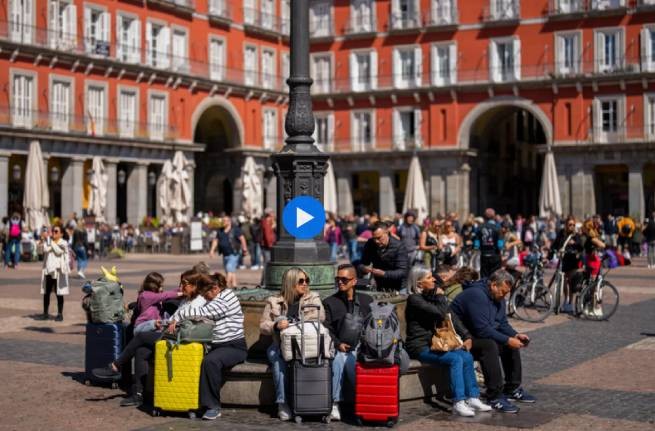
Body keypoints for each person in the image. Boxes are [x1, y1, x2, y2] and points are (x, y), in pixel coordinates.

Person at [93, 269, 206, 406]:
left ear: (194, 286)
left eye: (184, 284)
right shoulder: (187, 299)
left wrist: (168, 322)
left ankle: (115, 366)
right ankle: (139, 395)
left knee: (141, 337)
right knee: (142, 351)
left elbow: (184, 320)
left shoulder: (198, 301)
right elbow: (173, 315)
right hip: (172, 333)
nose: (180, 287)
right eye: (180, 283)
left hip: (181, 338)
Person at [405, 265, 491, 417]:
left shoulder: (430, 296)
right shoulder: (414, 300)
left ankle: (472, 397)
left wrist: (466, 336)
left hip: (436, 344)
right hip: (420, 346)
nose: (434, 280)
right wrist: (440, 297)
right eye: (429, 278)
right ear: (419, 283)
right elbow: (441, 314)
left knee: (467, 356)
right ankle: (458, 402)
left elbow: (452, 316)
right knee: (455, 359)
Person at [450, 269, 535, 413]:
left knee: (509, 343)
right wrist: (507, 340)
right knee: (489, 346)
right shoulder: (476, 295)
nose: (504, 296)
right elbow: (482, 330)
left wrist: (515, 335)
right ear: (494, 285)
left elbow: (502, 324)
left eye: (507, 293)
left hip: (475, 336)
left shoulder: (497, 297)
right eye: (502, 292)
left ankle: (512, 388)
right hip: (460, 339)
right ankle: (494, 396)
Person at [169, 272, 247, 420]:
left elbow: (200, 311)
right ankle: (191, 401)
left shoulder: (226, 298)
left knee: (210, 361)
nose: (204, 298)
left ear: (216, 288)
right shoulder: (215, 298)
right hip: (216, 346)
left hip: (234, 347)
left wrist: (177, 318)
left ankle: (213, 407)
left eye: (206, 295)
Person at [259, 267, 324, 421]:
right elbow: (262, 326)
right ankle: (282, 403)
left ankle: (309, 401)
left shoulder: (313, 298)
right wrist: (275, 326)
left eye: (307, 280)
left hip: (305, 343)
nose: (305, 284)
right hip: (279, 344)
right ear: (290, 283)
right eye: (301, 281)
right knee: (277, 360)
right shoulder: (274, 301)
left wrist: (292, 323)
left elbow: (320, 316)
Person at [323, 263, 373, 421]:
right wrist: (338, 344)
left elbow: (374, 325)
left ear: (354, 281)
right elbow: (326, 328)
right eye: (338, 279)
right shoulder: (329, 302)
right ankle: (335, 404)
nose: (340, 282)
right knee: (339, 359)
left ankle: (365, 403)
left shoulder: (366, 300)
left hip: (364, 348)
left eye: (344, 279)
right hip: (342, 348)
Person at [358, 221, 409, 292]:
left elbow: (403, 272)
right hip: (380, 286)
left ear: (387, 233)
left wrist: (384, 273)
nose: (376, 241)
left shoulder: (399, 246)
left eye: (379, 238)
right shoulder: (370, 244)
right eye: (374, 238)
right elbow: (363, 263)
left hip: (398, 287)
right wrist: (363, 268)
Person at [36, 225, 71, 321]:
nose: (53, 233)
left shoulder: (63, 243)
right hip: (48, 270)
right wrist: (41, 241)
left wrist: (48, 240)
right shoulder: (48, 241)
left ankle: (60, 314)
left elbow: (58, 251)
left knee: (59, 293)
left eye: (56, 231)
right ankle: (45, 313)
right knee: (46, 293)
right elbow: (40, 252)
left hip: (58, 271)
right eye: (53, 231)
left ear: (61, 234)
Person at [549, 216, 583, 313]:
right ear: (566, 225)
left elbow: (581, 247)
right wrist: (551, 253)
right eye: (570, 224)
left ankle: (570, 303)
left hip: (572, 261)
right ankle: (565, 299)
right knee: (563, 281)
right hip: (563, 260)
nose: (571, 226)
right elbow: (555, 244)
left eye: (573, 225)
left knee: (571, 282)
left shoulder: (576, 235)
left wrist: (574, 244)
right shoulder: (561, 233)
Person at [210, 216, 248, 289]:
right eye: (223, 221)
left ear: (229, 221)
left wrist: (244, 248)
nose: (223, 222)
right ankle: (234, 285)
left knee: (229, 268)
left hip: (234, 253)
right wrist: (212, 250)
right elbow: (216, 240)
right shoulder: (220, 231)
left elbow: (242, 239)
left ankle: (225, 287)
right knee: (229, 271)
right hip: (225, 254)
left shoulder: (235, 230)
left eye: (225, 221)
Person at [476, 208, 502, 278]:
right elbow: (500, 245)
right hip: (495, 255)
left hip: (484, 255)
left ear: (484, 216)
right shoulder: (497, 227)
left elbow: (476, 244)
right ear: (494, 217)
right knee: (495, 277)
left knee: (484, 276)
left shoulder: (479, 227)